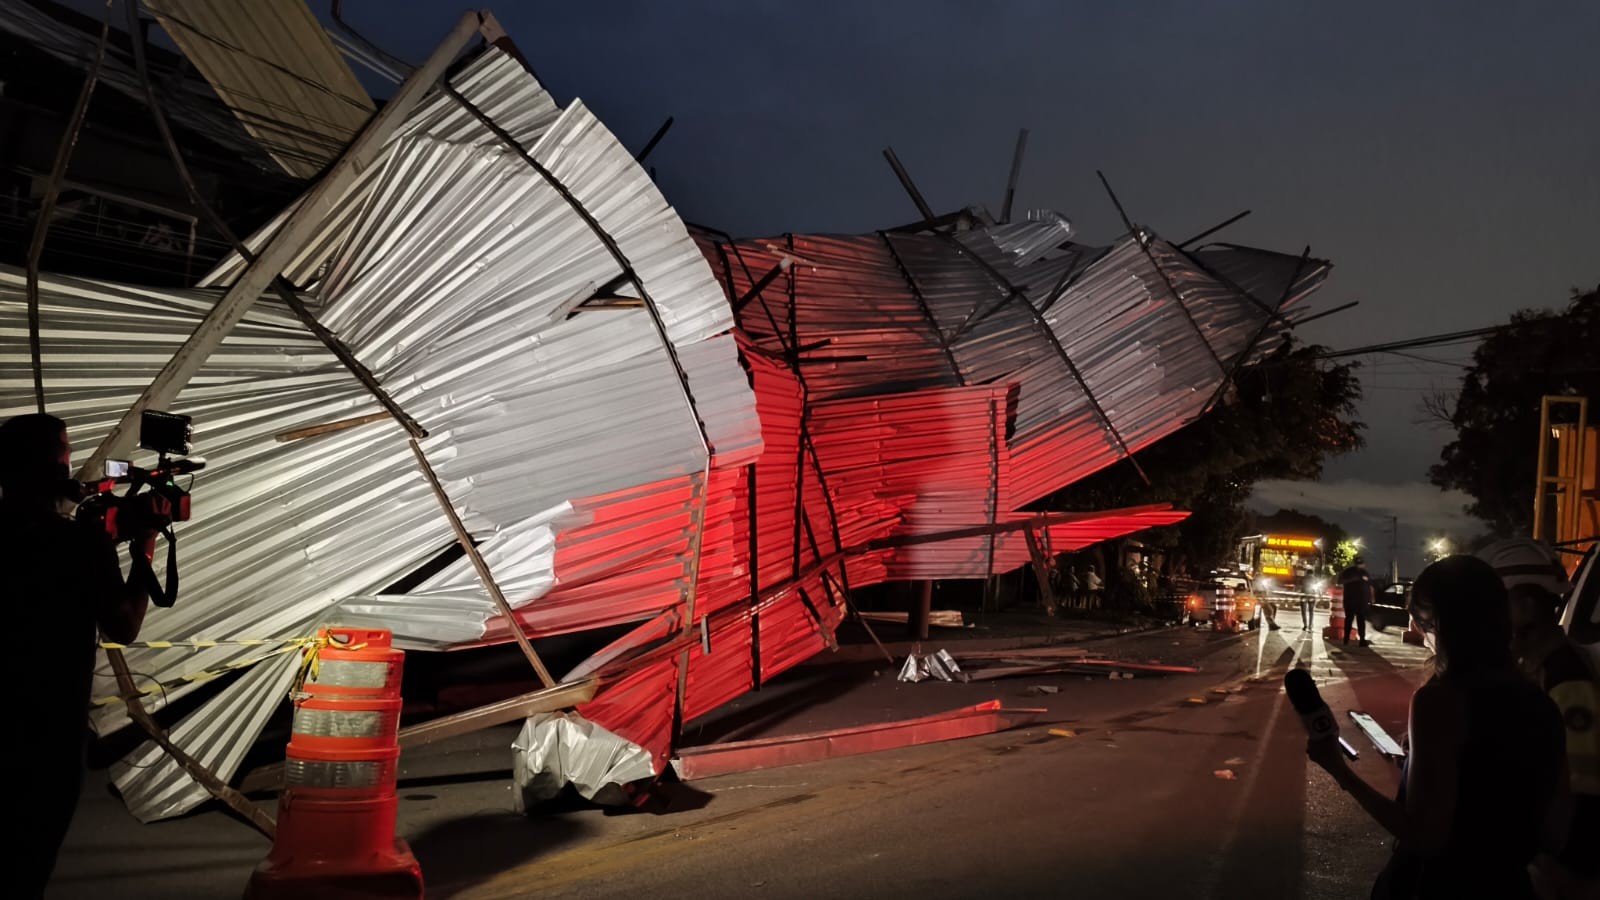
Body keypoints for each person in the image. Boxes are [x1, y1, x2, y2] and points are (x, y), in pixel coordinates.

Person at [1306, 555, 1567, 900]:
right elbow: (1556, 831)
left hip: (1437, 886)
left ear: (1436, 624)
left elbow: (1424, 836)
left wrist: (1339, 770)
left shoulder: (1440, 701)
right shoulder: (1544, 703)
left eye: (1421, 624)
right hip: (1511, 887)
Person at [1, 413, 153, 897]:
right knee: (29, 858)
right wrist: (146, 547)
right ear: (53, 465)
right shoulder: (76, 543)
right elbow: (124, 625)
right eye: (65, 451)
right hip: (49, 730)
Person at [1479, 538, 1600, 898]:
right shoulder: (1533, 668)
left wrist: (1560, 862)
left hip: (1563, 867)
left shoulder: (1565, 676)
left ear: (1528, 605)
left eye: (1498, 604)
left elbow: (1584, 790)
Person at [1339, 555, 1374, 646]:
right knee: (1353, 620)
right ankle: (1349, 639)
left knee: (1356, 620)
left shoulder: (1363, 573)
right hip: (1353, 600)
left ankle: (1358, 639)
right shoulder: (1350, 572)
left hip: (1358, 601)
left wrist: (1370, 599)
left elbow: (1369, 586)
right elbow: (1340, 581)